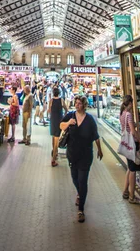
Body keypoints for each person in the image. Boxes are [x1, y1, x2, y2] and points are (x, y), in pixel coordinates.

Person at [60, 95, 103, 223]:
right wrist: (68, 123)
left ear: (84, 105)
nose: (77, 105)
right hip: (72, 153)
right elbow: (60, 125)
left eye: (79, 103)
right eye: (76, 103)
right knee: (74, 177)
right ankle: (80, 193)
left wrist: (100, 150)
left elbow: (96, 136)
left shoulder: (90, 120)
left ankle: (81, 209)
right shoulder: (71, 116)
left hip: (86, 155)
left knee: (83, 180)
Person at [120, 95, 140, 205]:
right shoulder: (128, 114)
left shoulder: (122, 113)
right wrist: (139, 139)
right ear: (130, 103)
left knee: (129, 168)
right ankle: (132, 196)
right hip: (132, 143)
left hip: (126, 144)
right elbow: (133, 131)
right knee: (133, 170)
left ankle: (125, 191)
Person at [48, 86, 67, 166]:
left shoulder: (51, 101)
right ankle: (53, 160)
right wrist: (64, 116)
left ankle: (54, 153)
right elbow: (66, 109)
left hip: (53, 121)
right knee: (57, 140)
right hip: (59, 121)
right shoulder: (62, 100)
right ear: (59, 93)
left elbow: (49, 111)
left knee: (53, 137)